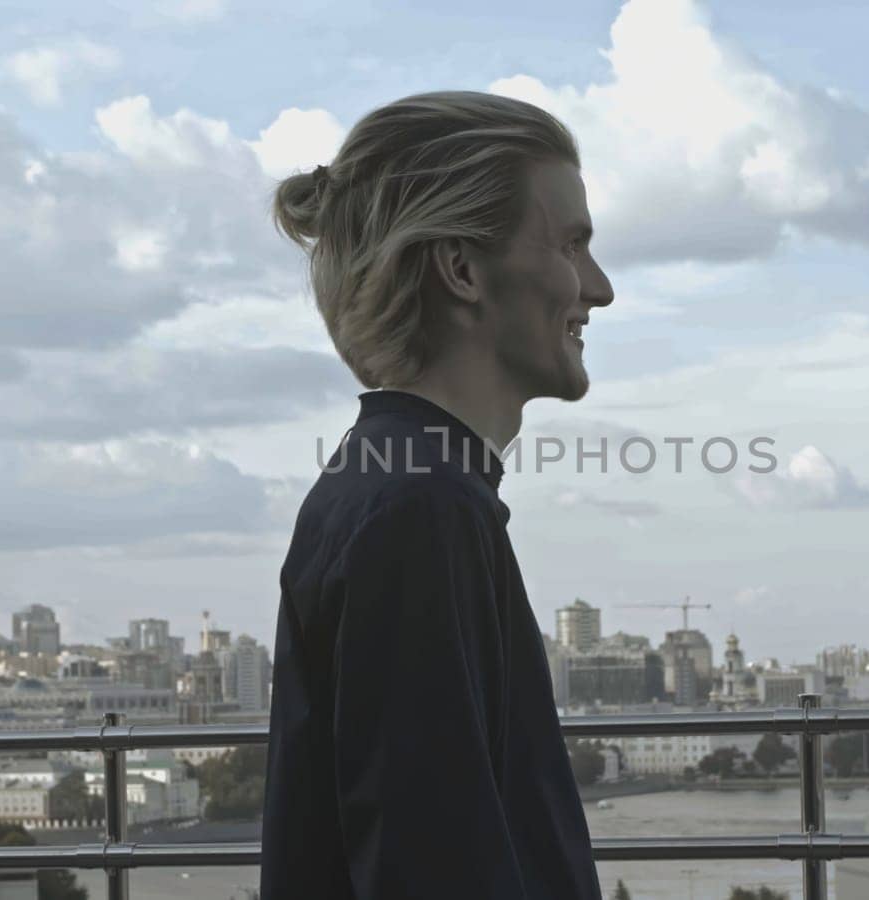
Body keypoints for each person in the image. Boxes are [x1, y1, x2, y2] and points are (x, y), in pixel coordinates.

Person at [260, 90, 615, 898]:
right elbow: (434, 865)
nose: (599, 288)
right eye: (571, 246)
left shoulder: (389, 481)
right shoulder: (422, 508)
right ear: (461, 270)